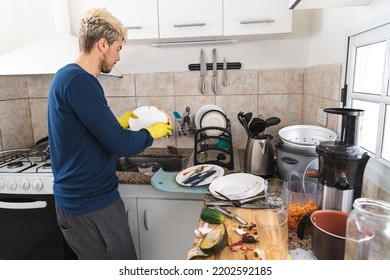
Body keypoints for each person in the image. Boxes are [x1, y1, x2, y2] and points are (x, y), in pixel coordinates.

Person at [47, 8, 172, 260]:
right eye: (118, 48)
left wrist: (119, 121)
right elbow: (119, 144)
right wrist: (152, 132)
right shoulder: (81, 81)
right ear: (102, 44)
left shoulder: (65, 76)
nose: (118, 57)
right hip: (92, 206)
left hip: (79, 203)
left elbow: (85, 133)